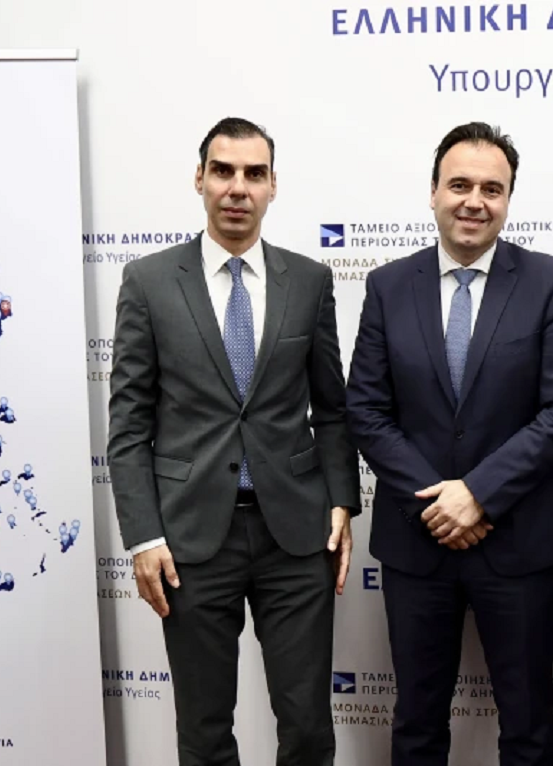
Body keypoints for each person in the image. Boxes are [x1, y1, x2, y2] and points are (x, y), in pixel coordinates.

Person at [108, 117, 360, 766]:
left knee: (308, 729)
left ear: (274, 185)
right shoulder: (148, 281)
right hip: (190, 540)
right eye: (223, 171)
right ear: (199, 179)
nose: (237, 187)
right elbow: (129, 425)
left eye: (254, 173)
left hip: (296, 536)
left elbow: (333, 409)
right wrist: (143, 536)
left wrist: (341, 501)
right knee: (204, 733)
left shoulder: (310, 280)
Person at [346, 122, 553, 766]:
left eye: (492, 188)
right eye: (459, 185)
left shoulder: (550, 282)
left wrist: (478, 495)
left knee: (528, 726)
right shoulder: (387, 286)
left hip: (521, 540)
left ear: (508, 200)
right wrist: (440, 502)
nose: (474, 201)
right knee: (417, 724)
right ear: (433, 192)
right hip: (417, 539)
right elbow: (366, 410)